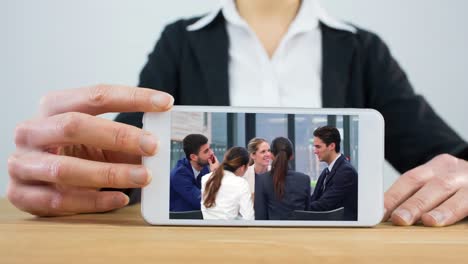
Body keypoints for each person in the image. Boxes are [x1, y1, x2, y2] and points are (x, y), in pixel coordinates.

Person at [7, 0, 468, 226]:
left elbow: (449, 157)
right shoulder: (181, 42)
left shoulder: (361, 50)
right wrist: (80, 165)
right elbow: (122, 159)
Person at [255, 137, 310, 220]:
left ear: (272, 156)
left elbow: (260, 216)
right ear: (291, 156)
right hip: (299, 231)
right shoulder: (304, 179)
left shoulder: (262, 180)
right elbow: (307, 213)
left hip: (273, 231)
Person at [310, 126, 357, 220]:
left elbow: (324, 204)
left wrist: (295, 207)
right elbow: (314, 199)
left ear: (332, 146)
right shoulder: (326, 172)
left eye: (318, 147)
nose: (315, 151)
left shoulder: (346, 172)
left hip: (342, 231)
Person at [201, 147, 254, 220]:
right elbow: (249, 218)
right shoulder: (241, 183)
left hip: (206, 229)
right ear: (242, 167)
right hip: (230, 230)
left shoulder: (205, 179)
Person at [170, 134, 219, 212]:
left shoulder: (204, 168)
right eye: (206, 151)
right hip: (180, 220)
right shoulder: (179, 175)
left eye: (210, 149)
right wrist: (216, 174)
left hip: (198, 217)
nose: (212, 153)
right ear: (193, 157)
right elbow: (204, 202)